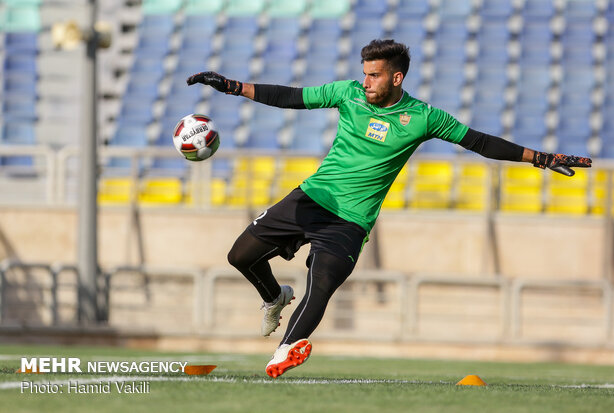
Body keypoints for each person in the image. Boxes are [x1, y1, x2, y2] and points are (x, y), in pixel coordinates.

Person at [187, 39, 591, 378]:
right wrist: (232, 86)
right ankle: (275, 297)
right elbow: (292, 97)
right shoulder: (347, 93)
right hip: (311, 198)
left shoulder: (422, 117)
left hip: (350, 221)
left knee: (322, 284)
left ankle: (284, 351)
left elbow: (480, 143)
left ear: (396, 78)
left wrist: (540, 157)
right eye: (364, 73)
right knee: (239, 255)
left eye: (374, 74)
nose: (365, 81)